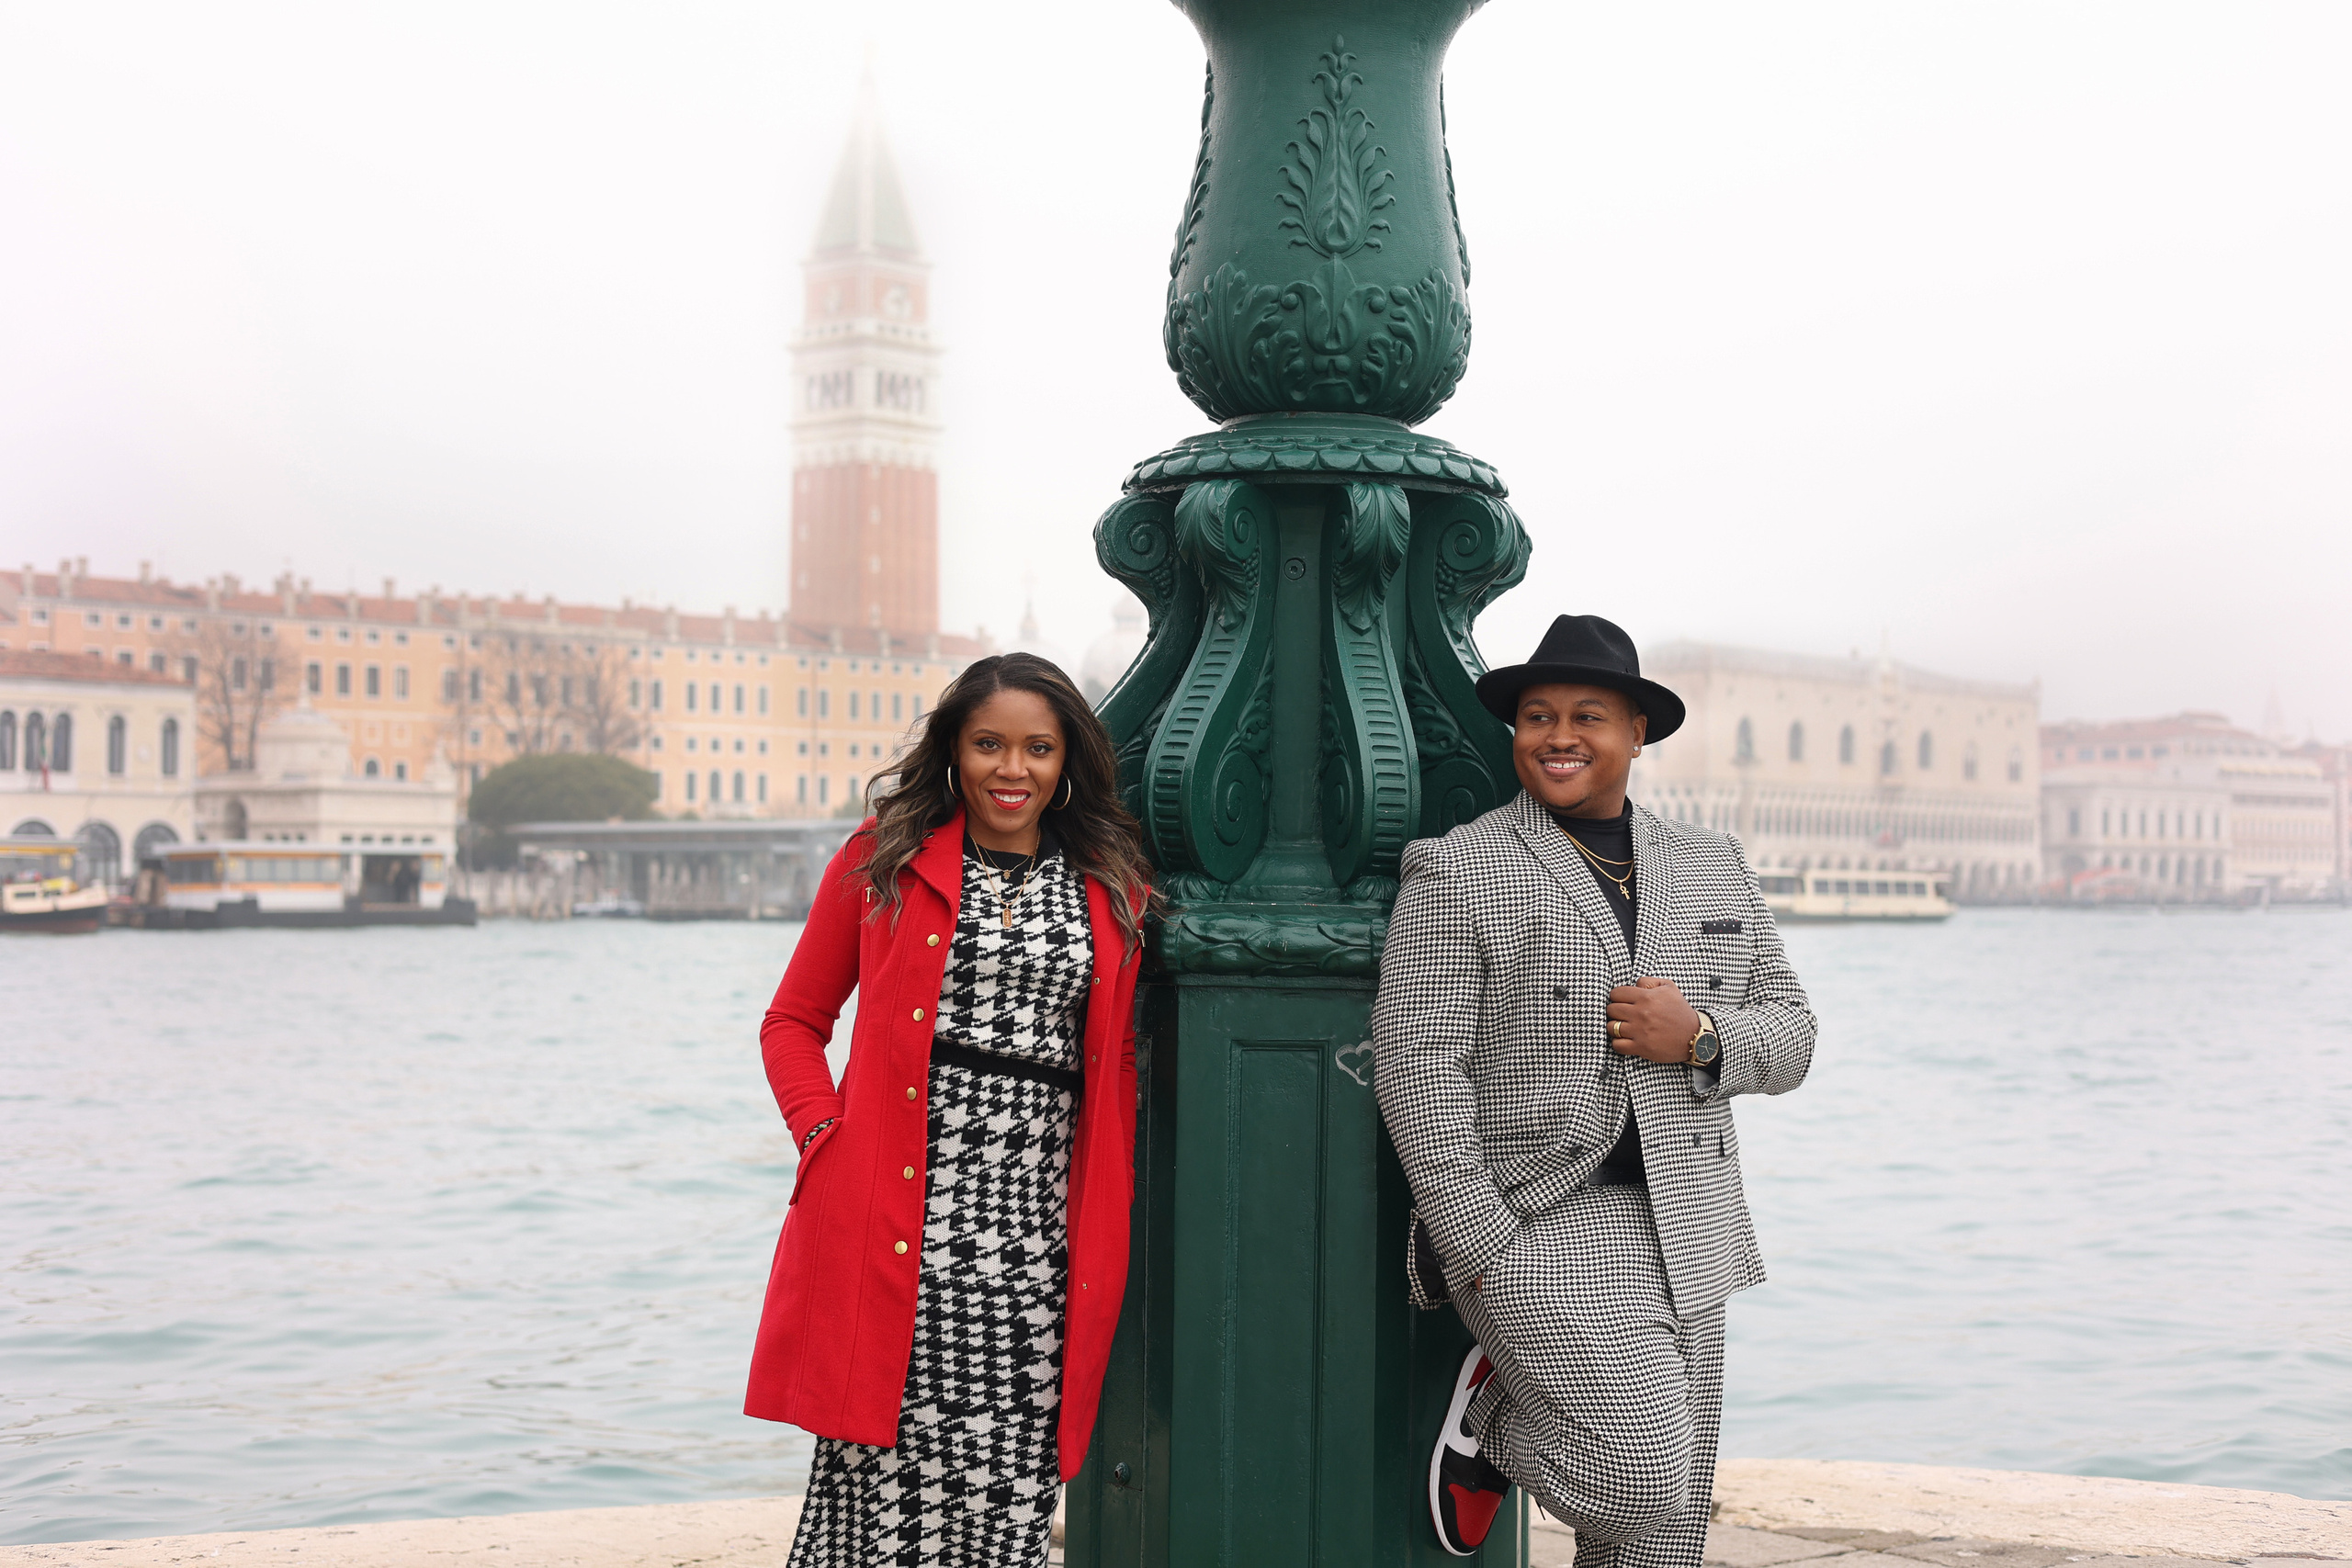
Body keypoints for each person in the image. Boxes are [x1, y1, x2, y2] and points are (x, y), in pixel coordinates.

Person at [1371, 614, 1818, 1561]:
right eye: (1536, 717)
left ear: (1636, 733)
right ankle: (1491, 1427)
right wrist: (1476, 1243)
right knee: (1638, 1479)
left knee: (1663, 1538)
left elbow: (1793, 1038)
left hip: (1691, 1218)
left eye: (1586, 716)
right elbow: (1417, 1072)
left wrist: (1698, 1035)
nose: (1558, 736)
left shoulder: (1714, 866)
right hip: (1538, 1215)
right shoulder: (1459, 868)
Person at [747, 652, 1155, 1567]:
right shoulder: (880, 859)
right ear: (953, 753)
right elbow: (792, 1022)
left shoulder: (1112, 887)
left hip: (1037, 1242)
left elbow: (1118, 1056)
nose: (1013, 770)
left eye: (1038, 749)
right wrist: (824, 1135)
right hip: (900, 1226)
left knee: (1006, 1496)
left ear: (1065, 763)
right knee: (883, 1493)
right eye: (989, 745)